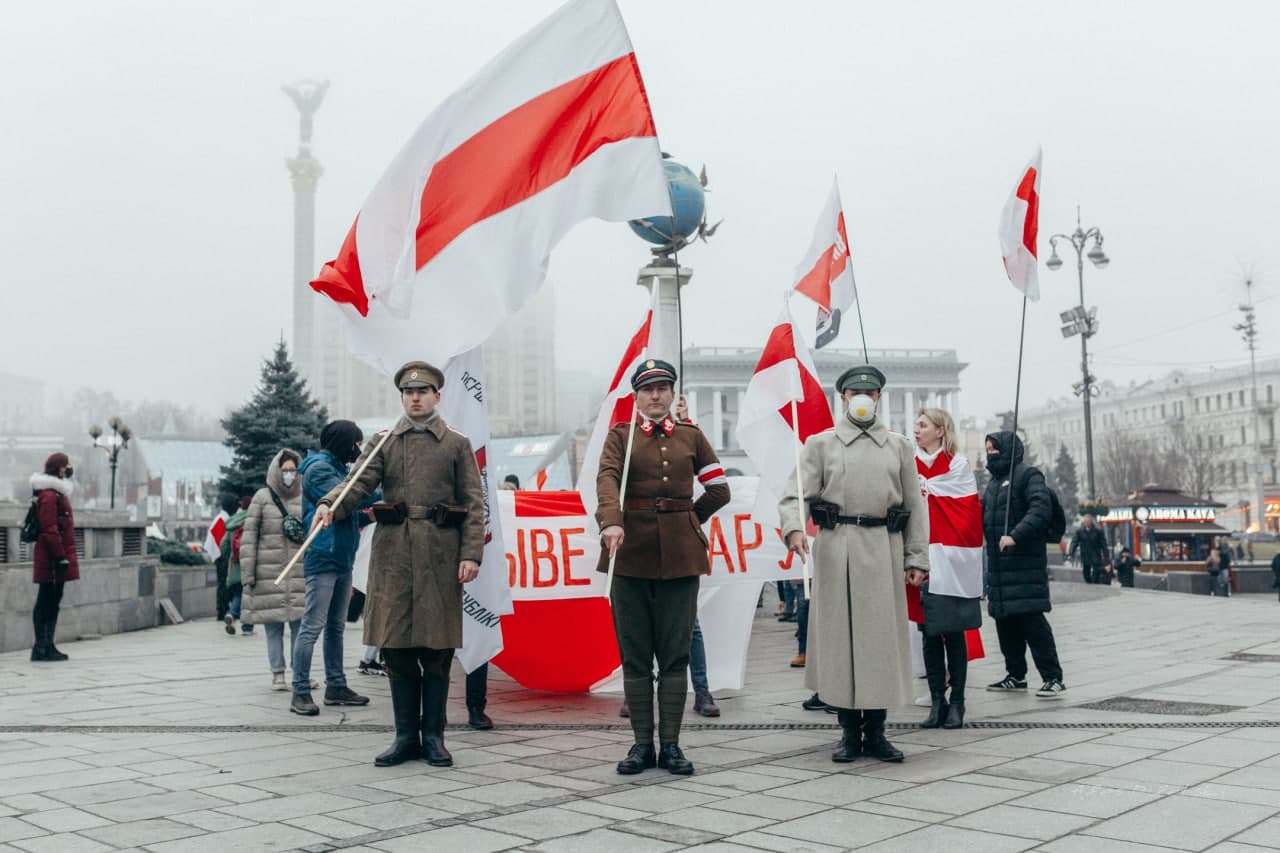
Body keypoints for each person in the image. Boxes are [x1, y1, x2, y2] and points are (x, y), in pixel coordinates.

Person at [312, 361, 485, 768]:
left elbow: (475, 506)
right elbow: (357, 485)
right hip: (393, 557)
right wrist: (328, 506)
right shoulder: (384, 442)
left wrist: (471, 554)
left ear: (437, 397)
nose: (416, 397)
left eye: (423, 391)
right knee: (396, 648)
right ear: (402, 398)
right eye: (409, 392)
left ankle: (435, 738)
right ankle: (405, 736)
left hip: (441, 556)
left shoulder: (456, 444)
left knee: (437, 650)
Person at [780, 364, 928, 763]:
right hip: (836, 546)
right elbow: (796, 494)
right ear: (842, 397)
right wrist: (794, 529)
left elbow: (915, 505)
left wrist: (917, 557)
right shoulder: (821, 444)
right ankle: (848, 732)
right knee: (841, 642)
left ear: (879, 398)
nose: (863, 399)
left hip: (884, 545)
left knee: (879, 643)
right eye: (854, 393)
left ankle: (877, 732)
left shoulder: (899, 447)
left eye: (871, 393)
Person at [597, 359, 730, 776]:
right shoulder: (621, 436)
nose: (655, 396)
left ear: (672, 394)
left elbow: (719, 488)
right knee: (636, 656)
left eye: (662, 388)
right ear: (636, 396)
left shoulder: (692, 437)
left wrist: (688, 520)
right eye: (648, 389)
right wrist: (612, 521)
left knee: (674, 656)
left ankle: (671, 746)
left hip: (680, 557)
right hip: (629, 555)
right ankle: (641, 746)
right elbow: (606, 479)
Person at [292, 420, 375, 716]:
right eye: (356, 443)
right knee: (313, 625)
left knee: (336, 627)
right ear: (344, 442)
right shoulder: (318, 469)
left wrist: (371, 516)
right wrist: (378, 490)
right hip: (323, 557)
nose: (357, 449)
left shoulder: (339, 468)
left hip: (342, 557)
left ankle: (336, 685)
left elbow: (346, 514)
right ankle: (299, 690)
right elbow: (345, 499)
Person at [912, 409, 983, 730]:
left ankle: (958, 703)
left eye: (923, 425)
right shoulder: (908, 463)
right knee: (928, 632)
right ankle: (936, 700)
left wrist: (928, 490)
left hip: (951, 560)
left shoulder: (957, 465)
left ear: (940, 431)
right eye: (916, 424)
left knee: (953, 632)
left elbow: (967, 511)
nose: (916, 429)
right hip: (919, 558)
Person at [982, 431, 1067, 698]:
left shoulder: (1028, 476)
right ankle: (1016, 674)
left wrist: (1015, 535)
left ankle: (1053, 677)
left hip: (1024, 565)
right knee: (1005, 623)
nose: (990, 453)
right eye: (987, 449)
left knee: (1033, 623)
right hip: (998, 565)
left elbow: (1040, 509)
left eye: (994, 449)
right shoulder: (993, 484)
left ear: (1008, 449)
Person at [239, 449, 307, 690]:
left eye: (293, 470)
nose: (289, 475)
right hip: (270, 575)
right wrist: (248, 574)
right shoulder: (262, 497)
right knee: (273, 628)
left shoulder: (305, 497)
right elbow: (249, 539)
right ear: (276, 471)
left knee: (301, 628)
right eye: (285, 470)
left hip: (299, 573)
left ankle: (300, 673)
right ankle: (278, 673)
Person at [29, 452, 78, 662]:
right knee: (46, 600)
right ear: (58, 468)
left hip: (56, 557)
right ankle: (41, 647)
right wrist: (60, 557)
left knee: (52, 600)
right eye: (66, 465)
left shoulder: (57, 494)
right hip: (51, 559)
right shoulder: (49, 496)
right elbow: (49, 530)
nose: (69, 469)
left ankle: (47, 646)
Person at [221, 496, 254, 636]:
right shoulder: (253, 519)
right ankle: (244, 625)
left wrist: (230, 557)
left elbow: (224, 545)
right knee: (249, 597)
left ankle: (232, 615)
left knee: (238, 594)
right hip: (250, 565)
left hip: (235, 566)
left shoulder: (233, 522)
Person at [209, 493, 239, 622]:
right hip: (221, 557)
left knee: (223, 584)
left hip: (220, 556)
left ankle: (224, 609)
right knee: (223, 585)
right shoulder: (223, 520)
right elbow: (221, 542)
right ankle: (222, 611)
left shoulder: (223, 518)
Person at [1068, 514, 1110, 584]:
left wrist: (1106, 556)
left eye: (1088, 522)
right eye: (1085, 522)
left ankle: (1095, 583)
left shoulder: (1098, 531)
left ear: (1091, 522)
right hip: (1085, 554)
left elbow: (1104, 544)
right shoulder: (1080, 531)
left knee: (1096, 572)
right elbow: (1074, 542)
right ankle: (1090, 583)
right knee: (1086, 573)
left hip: (1095, 554)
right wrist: (1071, 552)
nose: (1086, 523)